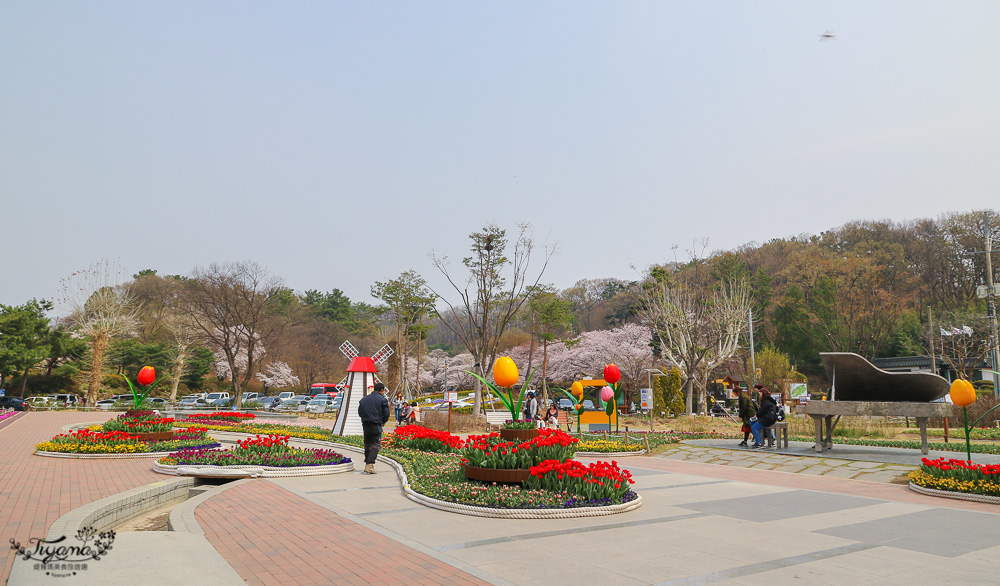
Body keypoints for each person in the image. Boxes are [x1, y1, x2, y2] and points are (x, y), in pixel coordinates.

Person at [357, 383, 390, 474]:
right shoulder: (383, 400)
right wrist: (383, 421)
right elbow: (386, 413)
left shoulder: (364, 400)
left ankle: (367, 463)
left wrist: (365, 419)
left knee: (367, 444)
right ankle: (369, 465)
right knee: (375, 444)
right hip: (376, 424)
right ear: (382, 390)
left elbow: (360, 412)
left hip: (366, 424)